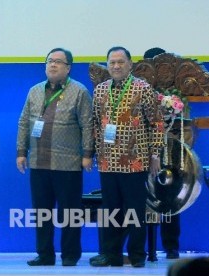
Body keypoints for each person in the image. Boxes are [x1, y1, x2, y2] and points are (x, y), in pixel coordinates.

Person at [16, 48, 94, 267]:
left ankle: (70, 255)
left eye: (58, 62)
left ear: (68, 68)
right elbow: (23, 122)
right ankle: (45, 254)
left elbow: (88, 125)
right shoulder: (34, 91)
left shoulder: (79, 91)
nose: (53, 65)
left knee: (70, 213)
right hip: (38, 161)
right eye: (50, 61)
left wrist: (88, 154)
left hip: (68, 163)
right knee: (42, 212)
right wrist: (21, 153)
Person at [90, 46, 164, 268]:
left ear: (130, 64)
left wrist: (155, 154)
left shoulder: (143, 88)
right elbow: (94, 123)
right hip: (107, 161)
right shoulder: (100, 90)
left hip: (135, 160)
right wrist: (92, 153)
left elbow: (157, 123)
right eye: (112, 62)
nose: (116, 66)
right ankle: (110, 255)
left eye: (121, 62)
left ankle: (137, 255)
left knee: (135, 211)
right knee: (110, 211)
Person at [144, 47, 181, 260]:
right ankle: (145, 249)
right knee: (144, 202)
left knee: (170, 202)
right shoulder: (139, 89)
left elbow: (185, 126)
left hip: (170, 155)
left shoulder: (176, 95)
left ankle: (171, 247)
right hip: (141, 154)